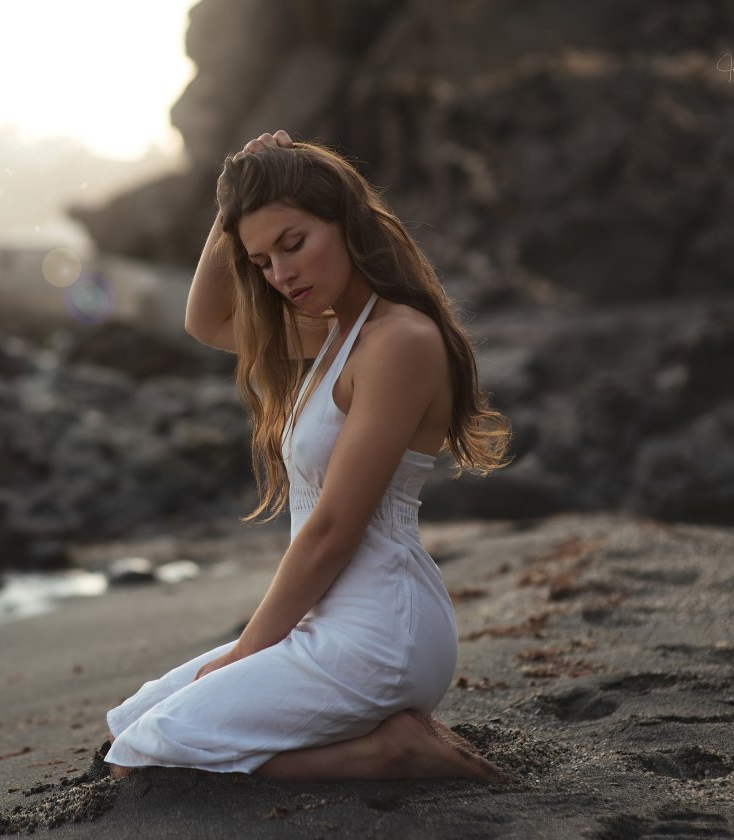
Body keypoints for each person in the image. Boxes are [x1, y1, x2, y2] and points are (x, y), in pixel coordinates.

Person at [104, 130, 513, 783]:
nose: (281, 274)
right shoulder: (335, 332)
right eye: (262, 261)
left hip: (384, 632)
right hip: (326, 620)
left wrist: (246, 652)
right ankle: (385, 736)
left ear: (346, 221)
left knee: (146, 758)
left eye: (293, 244)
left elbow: (330, 531)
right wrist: (231, 207)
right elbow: (204, 320)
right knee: (128, 727)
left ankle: (389, 751)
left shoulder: (399, 340)